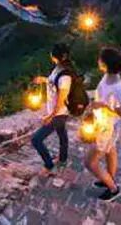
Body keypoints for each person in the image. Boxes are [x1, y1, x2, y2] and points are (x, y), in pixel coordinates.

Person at [84, 47, 121, 202]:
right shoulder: (109, 76)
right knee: (110, 151)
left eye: (100, 59)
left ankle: (113, 188)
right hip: (105, 123)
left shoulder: (117, 87)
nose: (98, 60)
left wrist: (102, 105)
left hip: (107, 127)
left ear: (106, 63)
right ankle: (109, 178)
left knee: (89, 162)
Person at [30, 43, 74, 175]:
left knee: (36, 139)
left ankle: (49, 165)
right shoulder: (58, 69)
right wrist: (44, 80)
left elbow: (61, 99)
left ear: (54, 56)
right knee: (62, 135)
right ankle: (63, 160)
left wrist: (50, 116)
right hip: (57, 112)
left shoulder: (65, 75)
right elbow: (53, 82)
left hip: (59, 113)